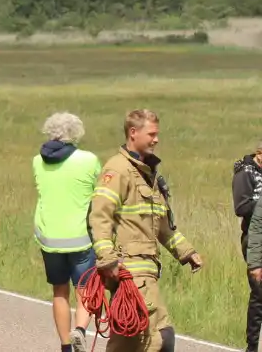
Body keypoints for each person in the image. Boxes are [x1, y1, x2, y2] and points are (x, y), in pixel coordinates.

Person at [89, 109, 202, 352]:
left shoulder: (147, 174)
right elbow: (100, 217)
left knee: (146, 340)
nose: (156, 139)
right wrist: (108, 259)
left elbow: (162, 225)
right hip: (129, 273)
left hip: (146, 274)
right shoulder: (117, 170)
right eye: (151, 134)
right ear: (133, 133)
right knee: (156, 340)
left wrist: (187, 251)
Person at [32, 112, 99, 352]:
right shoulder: (88, 160)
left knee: (59, 291)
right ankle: (80, 330)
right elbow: (98, 193)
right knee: (86, 291)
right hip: (80, 237)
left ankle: (65, 346)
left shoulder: (37, 161)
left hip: (49, 237)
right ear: (76, 133)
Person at [234, 142, 262, 352]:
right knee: (259, 293)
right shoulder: (245, 173)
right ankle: (252, 345)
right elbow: (241, 207)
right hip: (254, 236)